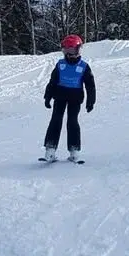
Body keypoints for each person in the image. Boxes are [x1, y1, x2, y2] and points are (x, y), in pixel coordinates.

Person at [42, 34, 96, 162]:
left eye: (72, 51)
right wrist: (47, 96)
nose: (70, 54)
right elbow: (52, 81)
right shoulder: (60, 65)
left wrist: (91, 101)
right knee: (56, 119)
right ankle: (50, 149)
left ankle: (74, 150)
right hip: (59, 96)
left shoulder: (83, 66)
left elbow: (90, 85)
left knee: (72, 121)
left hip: (75, 98)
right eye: (67, 51)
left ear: (78, 50)